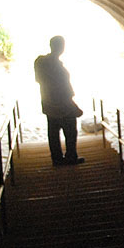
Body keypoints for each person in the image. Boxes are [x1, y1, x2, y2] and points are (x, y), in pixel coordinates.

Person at [34, 35, 85, 166]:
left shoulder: (40, 62)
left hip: (48, 104)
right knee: (70, 133)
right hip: (63, 105)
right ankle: (71, 157)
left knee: (53, 133)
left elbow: (39, 80)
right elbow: (62, 87)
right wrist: (72, 105)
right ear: (61, 47)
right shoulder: (54, 64)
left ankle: (57, 159)